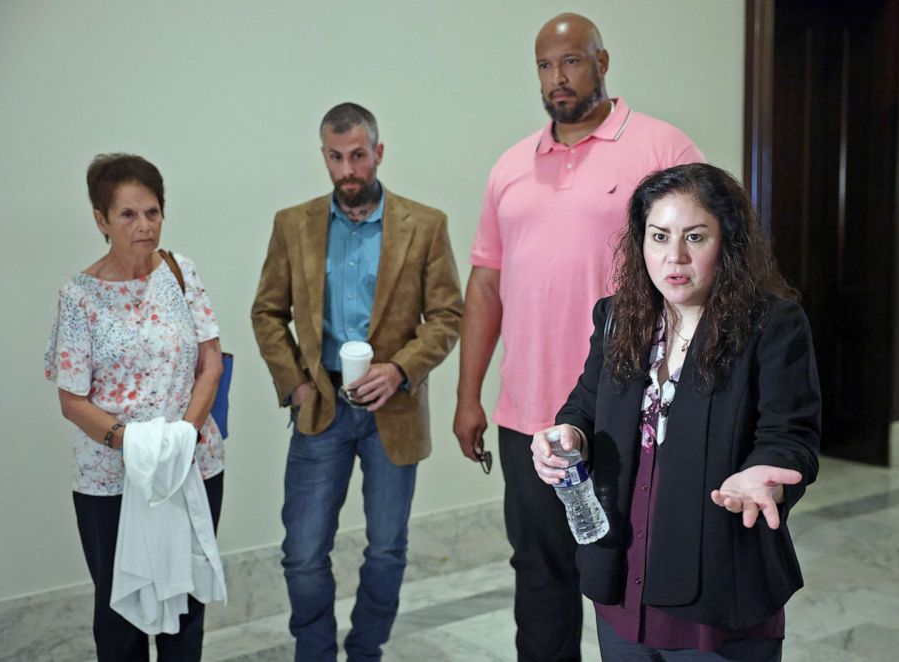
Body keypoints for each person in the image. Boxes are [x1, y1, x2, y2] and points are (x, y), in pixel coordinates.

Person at [453, 12, 704, 661]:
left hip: (628, 411)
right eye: (544, 64)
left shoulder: (662, 149)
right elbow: (484, 286)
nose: (556, 77)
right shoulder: (511, 166)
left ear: (602, 60)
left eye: (570, 61)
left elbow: (705, 271)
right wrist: (469, 396)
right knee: (540, 578)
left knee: (632, 581)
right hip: (529, 418)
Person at [531, 163, 821, 660]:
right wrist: (568, 434)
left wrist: (761, 475)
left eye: (695, 237)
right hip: (623, 579)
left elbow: (790, 434)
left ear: (727, 242)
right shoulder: (618, 316)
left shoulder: (772, 325)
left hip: (719, 587)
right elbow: (585, 403)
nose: (675, 257)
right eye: (659, 236)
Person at [251, 102, 463, 662]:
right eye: (336, 157)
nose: (348, 170)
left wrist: (400, 369)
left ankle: (366, 651)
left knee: (388, 549)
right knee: (301, 552)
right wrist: (296, 386)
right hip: (319, 409)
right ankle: (314, 654)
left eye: (359, 156)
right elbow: (267, 313)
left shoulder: (426, 224)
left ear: (379, 152)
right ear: (324, 156)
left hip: (392, 411)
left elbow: (448, 316)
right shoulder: (292, 225)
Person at [45, 153, 225, 661]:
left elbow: (210, 362)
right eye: (127, 214)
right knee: (120, 617)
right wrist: (139, 445)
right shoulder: (79, 298)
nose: (144, 225)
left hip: (193, 465)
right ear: (101, 220)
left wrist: (182, 438)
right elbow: (72, 401)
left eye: (152, 211)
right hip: (112, 480)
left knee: (186, 609)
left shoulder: (180, 271)